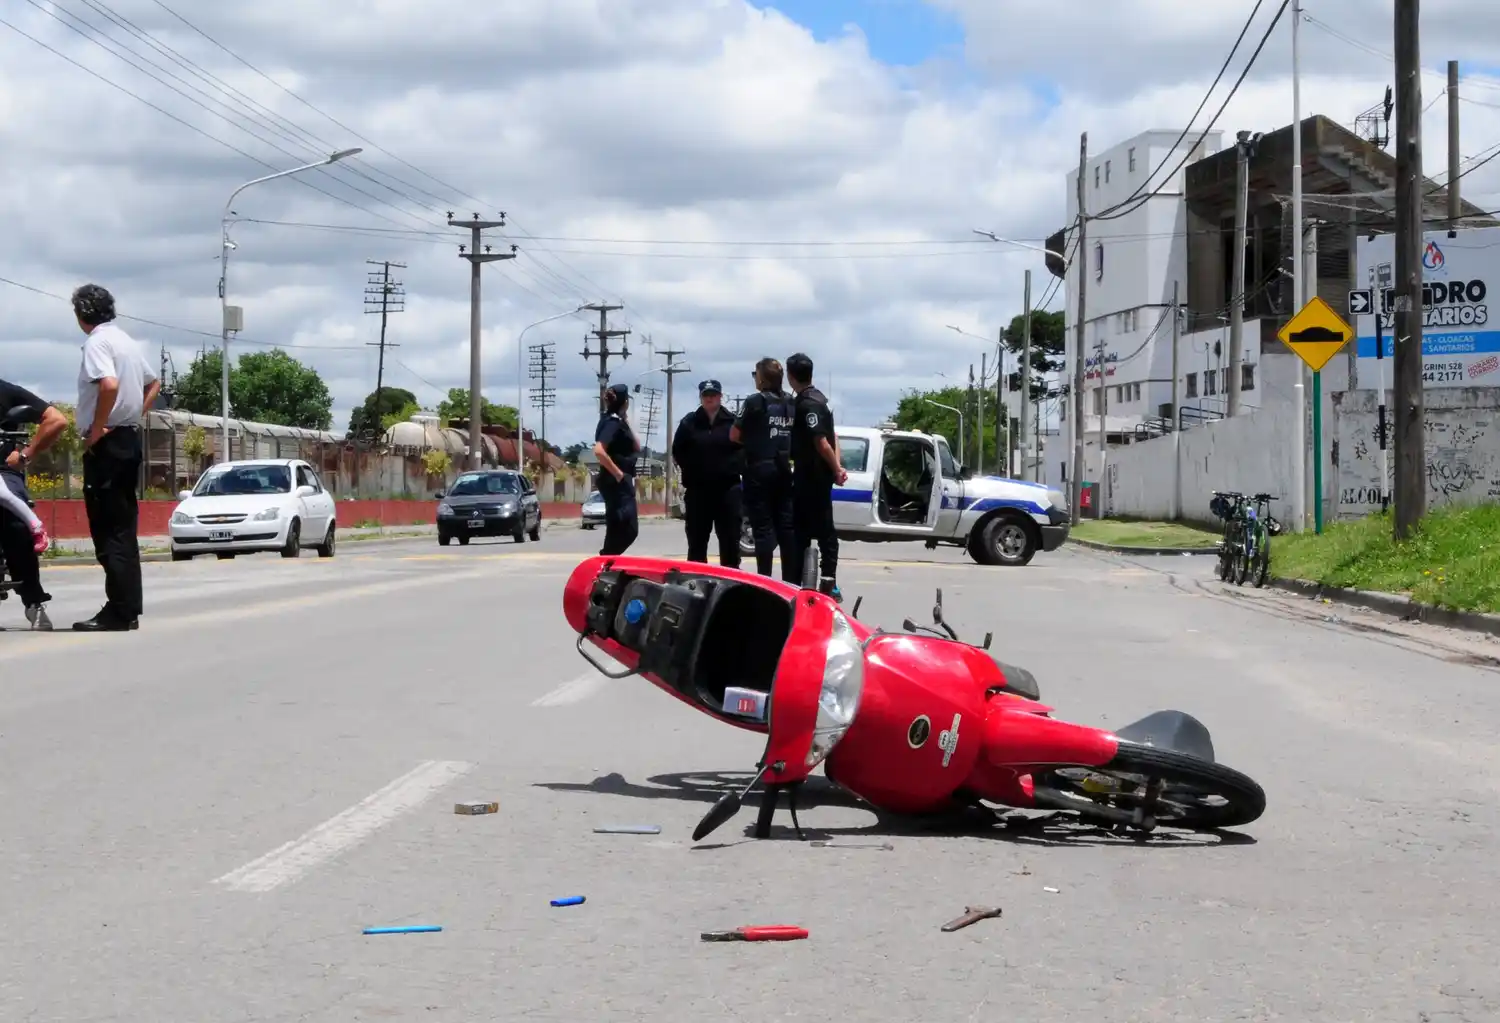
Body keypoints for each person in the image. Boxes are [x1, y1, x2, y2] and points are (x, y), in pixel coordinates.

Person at [71, 284, 159, 632]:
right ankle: (128, 607)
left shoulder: (97, 342)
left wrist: (97, 427)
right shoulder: (126, 341)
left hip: (108, 444)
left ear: (81, 315)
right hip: (127, 439)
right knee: (124, 527)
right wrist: (132, 415)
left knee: (108, 529)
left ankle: (118, 610)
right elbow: (153, 384)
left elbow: (107, 385)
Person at [0, 378, 68, 630]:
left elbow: (57, 419)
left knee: (15, 521)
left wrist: (25, 455)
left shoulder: (6, 391)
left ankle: (33, 601)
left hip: (3, 471)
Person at [787, 352, 847, 600]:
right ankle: (820, 581)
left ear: (791, 377)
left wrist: (835, 468)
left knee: (812, 533)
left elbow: (822, 441)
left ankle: (818, 582)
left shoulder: (807, 404)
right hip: (819, 476)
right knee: (821, 532)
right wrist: (838, 466)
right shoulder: (822, 399)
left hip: (810, 476)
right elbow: (834, 437)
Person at [731, 358, 797, 580]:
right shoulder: (791, 402)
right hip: (784, 470)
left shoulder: (754, 402)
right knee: (786, 528)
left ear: (762, 378)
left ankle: (764, 578)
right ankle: (790, 579)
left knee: (762, 529)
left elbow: (734, 435)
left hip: (759, 471)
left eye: (755, 374)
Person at [671, 379, 743, 567]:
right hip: (698, 491)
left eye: (713, 395)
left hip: (727, 490)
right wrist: (691, 469)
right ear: (701, 397)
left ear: (720, 396)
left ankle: (732, 586)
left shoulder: (732, 420)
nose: (710, 398)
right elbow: (678, 450)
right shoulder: (689, 422)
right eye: (706, 395)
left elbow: (744, 449)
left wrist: (733, 466)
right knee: (696, 542)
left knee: (730, 541)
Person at [592, 383, 640, 556]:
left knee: (618, 527)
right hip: (616, 482)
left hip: (617, 481)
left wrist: (626, 420)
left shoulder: (615, 421)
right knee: (628, 528)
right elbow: (599, 450)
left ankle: (608, 561)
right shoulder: (612, 422)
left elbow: (636, 445)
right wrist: (619, 474)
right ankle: (607, 559)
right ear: (625, 402)